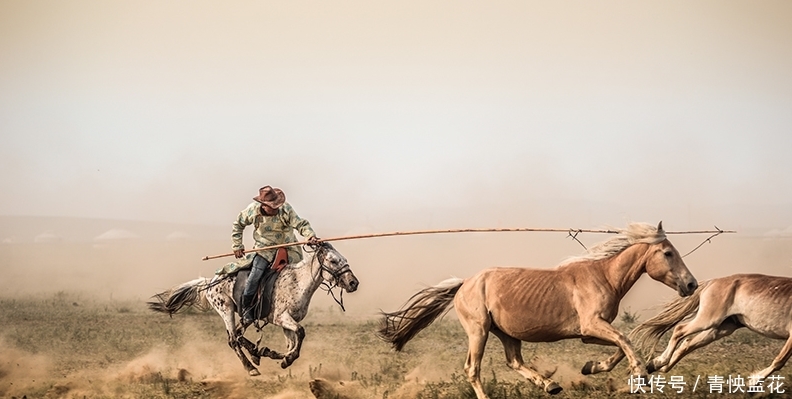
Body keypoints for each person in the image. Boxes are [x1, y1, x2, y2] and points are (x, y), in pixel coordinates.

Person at [232, 185, 319, 324]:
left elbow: (300, 224)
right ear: (263, 205)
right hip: (264, 249)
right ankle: (247, 309)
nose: (276, 208)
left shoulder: (286, 209)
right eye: (272, 206)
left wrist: (310, 236)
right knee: (255, 277)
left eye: (276, 205)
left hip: (289, 248)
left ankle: (290, 306)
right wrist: (237, 245)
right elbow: (238, 225)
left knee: (299, 276)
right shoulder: (252, 211)